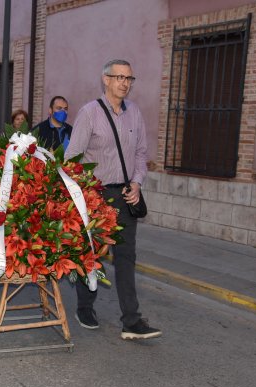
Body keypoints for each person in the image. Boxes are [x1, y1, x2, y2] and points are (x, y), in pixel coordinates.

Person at [64, 59, 161, 340]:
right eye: (119, 77)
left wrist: (137, 183)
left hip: (126, 195)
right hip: (97, 195)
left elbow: (142, 153)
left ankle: (131, 320)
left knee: (126, 257)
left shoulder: (135, 113)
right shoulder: (90, 113)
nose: (125, 82)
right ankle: (85, 307)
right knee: (90, 253)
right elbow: (72, 158)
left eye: (129, 78)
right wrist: (85, 194)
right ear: (105, 79)